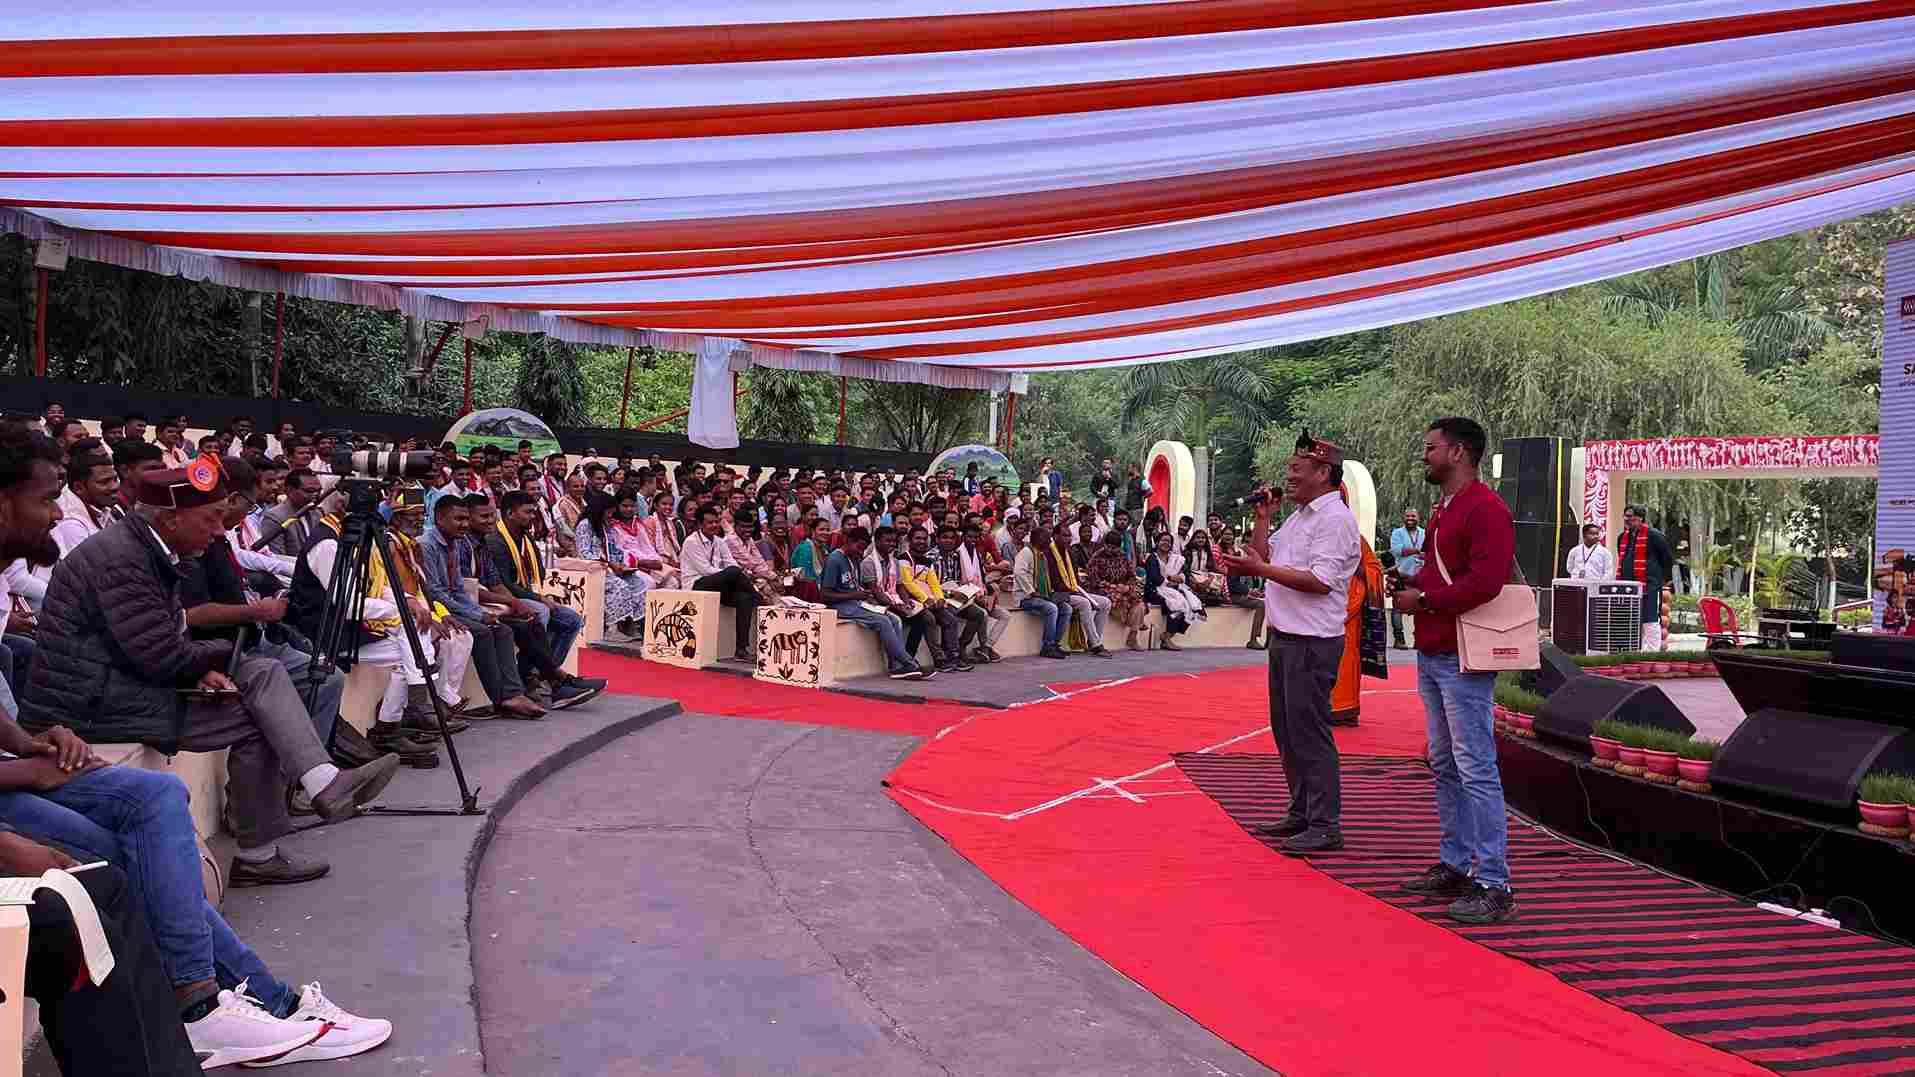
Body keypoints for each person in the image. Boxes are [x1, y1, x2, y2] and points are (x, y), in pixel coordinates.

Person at [19, 459, 401, 886]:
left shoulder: (145, 547)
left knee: (263, 686)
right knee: (260, 683)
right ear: (169, 518)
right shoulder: (121, 558)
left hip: (116, 686)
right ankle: (302, 806)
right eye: (212, 518)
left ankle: (297, 812)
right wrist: (217, 657)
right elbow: (157, 654)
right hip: (89, 708)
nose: (220, 530)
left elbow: (155, 640)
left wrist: (200, 668)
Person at [1388, 417, 1519, 924]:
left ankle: (1495, 881)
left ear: (1459, 453)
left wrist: (1425, 599)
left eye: (1431, 448)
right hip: (1436, 648)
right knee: (1446, 763)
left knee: (1476, 766)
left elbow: (1487, 582)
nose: (1425, 455)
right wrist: (1417, 588)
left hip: (1463, 655)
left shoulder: (1486, 509)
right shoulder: (1446, 511)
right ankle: (1457, 862)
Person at [1216, 432, 1360, 855]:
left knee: (1310, 733)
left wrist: (1261, 568)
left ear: (1323, 472)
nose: (1289, 476)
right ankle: (1301, 811)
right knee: (1287, 731)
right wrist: (1262, 520)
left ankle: (1325, 823)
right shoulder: (1299, 518)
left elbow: (1320, 582)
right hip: (1286, 636)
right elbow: (1267, 559)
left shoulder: (1335, 520)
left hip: (1313, 641)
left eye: (1298, 469)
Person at [418, 497, 546, 719]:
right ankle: (502, 699)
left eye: (466, 519)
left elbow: (458, 588)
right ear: (439, 518)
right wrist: (478, 615)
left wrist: (481, 613)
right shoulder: (427, 544)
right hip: (436, 608)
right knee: (482, 632)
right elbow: (434, 591)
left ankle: (513, 694)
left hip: (454, 605)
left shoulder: (455, 543)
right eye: (458, 519)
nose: (464, 525)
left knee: (503, 630)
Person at [487, 490, 588, 670]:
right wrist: (538, 598)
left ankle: (544, 674)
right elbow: (505, 583)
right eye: (528, 512)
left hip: (528, 593)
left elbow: (540, 573)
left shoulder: (526, 537)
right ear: (510, 513)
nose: (533, 516)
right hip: (506, 597)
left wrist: (538, 595)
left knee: (573, 620)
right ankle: (530, 674)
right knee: (541, 611)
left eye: (534, 512)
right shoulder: (495, 541)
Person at [824, 526, 931, 680]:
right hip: (841, 605)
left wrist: (866, 597)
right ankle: (909, 663)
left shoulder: (854, 558)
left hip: (855, 602)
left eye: (863, 549)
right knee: (883, 621)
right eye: (859, 548)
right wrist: (856, 595)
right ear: (848, 541)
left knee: (894, 619)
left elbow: (855, 586)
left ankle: (897, 667)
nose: (861, 553)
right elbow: (825, 594)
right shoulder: (835, 560)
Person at [1328, 501, 1386, 728]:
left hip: (1350, 611)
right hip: (1319, 610)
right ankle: (1321, 709)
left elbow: (1375, 570)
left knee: (1347, 662)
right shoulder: (1311, 535)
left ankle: (1345, 710)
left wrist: (1358, 568)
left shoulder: (1356, 538)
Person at [680, 504, 761, 662]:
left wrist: (734, 574)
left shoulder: (719, 541)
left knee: (744, 598)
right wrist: (732, 574)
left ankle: (741, 648)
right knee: (733, 572)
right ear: (700, 524)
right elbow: (705, 570)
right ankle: (757, 595)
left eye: (716, 522)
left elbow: (731, 563)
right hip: (696, 584)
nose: (714, 526)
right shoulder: (691, 542)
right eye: (710, 523)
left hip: (717, 584)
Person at [577, 491, 652, 641]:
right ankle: (613, 628)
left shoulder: (607, 525)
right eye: (609, 513)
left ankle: (632, 624)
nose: (611, 516)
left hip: (610, 567)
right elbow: (584, 553)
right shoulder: (585, 525)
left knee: (639, 583)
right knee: (620, 586)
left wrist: (622, 565)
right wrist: (610, 564)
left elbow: (614, 549)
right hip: (593, 569)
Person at [900, 527, 975, 673]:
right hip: (912, 600)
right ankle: (939, 659)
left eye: (924, 538)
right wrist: (925, 599)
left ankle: (953, 657)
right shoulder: (903, 559)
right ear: (910, 541)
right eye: (917, 538)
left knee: (950, 619)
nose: (921, 541)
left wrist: (940, 598)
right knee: (929, 619)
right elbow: (908, 583)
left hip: (929, 600)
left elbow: (933, 583)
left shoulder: (927, 561)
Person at [1043, 523, 1112, 657]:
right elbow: (1054, 582)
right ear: (1055, 536)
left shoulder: (1070, 552)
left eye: (1069, 536)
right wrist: (1074, 591)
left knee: (1105, 603)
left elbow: (1074, 578)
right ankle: (1096, 645)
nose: (1068, 539)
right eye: (1064, 536)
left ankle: (1093, 640)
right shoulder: (1048, 553)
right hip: (1057, 594)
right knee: (1084, 603)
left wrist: (1082, 590)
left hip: (1072, 590)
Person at [1012, 523, 1073, 659]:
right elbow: (1019, 573)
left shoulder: (1041, 555)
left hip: (1040, 595)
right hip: (1025, 598)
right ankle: (1047, 646)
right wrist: (1032, 592)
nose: (1050, 541)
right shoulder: (1026, 553)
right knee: (1051, 608)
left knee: (1066, 608)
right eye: (1047, 538)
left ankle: (1055, 644)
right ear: (1038, 539)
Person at [1616, 504, 1673, 649]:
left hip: (1650, 586)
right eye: (1625, 516)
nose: (1627, 520)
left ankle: (1652, 653)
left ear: (1640, 518)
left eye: (1631, 517)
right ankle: (1636, 650)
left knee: (1650, 619)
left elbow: (1667, 559)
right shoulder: (1622, 537)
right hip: (1628, 588)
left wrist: (1658, 579)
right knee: (1631, 620)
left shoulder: (1654, 536)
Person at [51, 437, 117, 558]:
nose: (114, 487)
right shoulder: (70, 524)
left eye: (115, 479)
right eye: (104, 482)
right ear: (79, 488)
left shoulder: (105, 506)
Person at [1144, 531, 1204, 649]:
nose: (1166, 543)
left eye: (1169, 541)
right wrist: (1170, 580)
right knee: (1177, 604)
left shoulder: (1176, 559)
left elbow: (1183, 575)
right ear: (1157, 542)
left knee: (1190, 605)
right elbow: (1154, 577)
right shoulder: (1152, 558)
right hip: (1154, 590)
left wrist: (1177, 579)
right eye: (1163, 540)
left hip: (1173, 589)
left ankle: (1167, 636)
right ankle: (1166, 638)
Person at [1218, 530, 1267, 648]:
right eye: (1226, 534)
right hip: (1226, 592)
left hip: (1239, 591)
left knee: (1270, 602)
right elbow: (1231, 582)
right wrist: (1249, 591)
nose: (1228, 537)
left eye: (1230, 534)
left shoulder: (1239, 554)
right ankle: (1253, 639)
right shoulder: (1221, 552)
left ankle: (1269, 640)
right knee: (1261, 605)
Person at [1388, 508, 1426, 649]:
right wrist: (1417, 551)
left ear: (1418, 518)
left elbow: (1429, 552)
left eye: (1413, 516)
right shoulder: (1397, 533)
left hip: (1420, 576)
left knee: (1421, 607)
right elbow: (1397, 550)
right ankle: (1399, 640)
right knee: (1398, 607)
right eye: (1408, 516)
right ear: (1404, 518)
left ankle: (1419, 639)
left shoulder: (1424, 533)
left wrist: (1424, 556)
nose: (1410, 518)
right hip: (1400, 575)